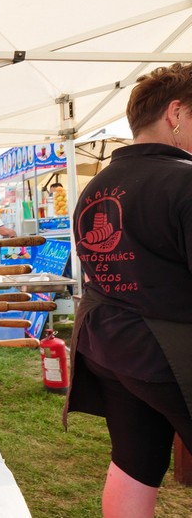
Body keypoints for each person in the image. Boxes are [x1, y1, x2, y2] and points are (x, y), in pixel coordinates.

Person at [64, 62, 192, 518]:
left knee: (135, 464)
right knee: (135, 462)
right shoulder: (184, 181)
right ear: (175, 113)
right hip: (167, 353)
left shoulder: (96, 186)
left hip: (109, 347)